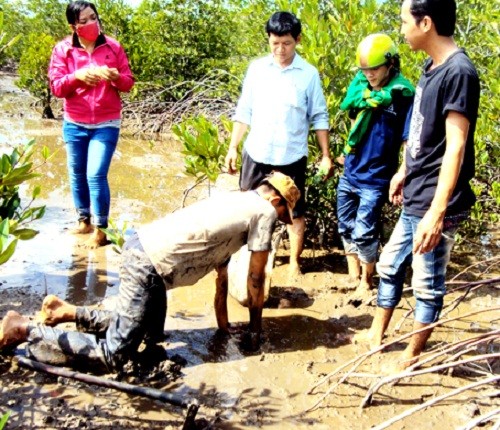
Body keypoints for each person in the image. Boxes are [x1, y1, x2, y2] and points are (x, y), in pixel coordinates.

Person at [0, 172, 300, 372]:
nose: (281, 221)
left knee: (150, 332)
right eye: (285, 215)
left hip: (144, 253)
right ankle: (24, 329)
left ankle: (65, 312)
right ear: (276, 201)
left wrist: (223, 324)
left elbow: (221, 276)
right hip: (148, 266)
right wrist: (255, 331)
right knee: (116, 354)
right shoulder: (264, 212)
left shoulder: (238, 202)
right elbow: (256, 278)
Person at [354, 0, 480, 372]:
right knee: (391, 264)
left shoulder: (460, 72)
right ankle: (376, 335)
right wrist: (403, 170)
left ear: (426, 23)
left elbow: (456, 145)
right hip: (417, 189)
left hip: (438, 200)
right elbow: (424, 129)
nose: (402, 29)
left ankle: (412, 357)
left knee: (427, 282)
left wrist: (436, 214)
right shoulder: (431, 66)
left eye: (404, 21)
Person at [224, 11, 332, 279]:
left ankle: (294, 261)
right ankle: (245, 259)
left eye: (286, 43)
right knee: (247, 208)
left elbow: (319, 115)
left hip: (291, 156)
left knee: (295, 212)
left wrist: (326, 155)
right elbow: (244, 111)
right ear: (268, 40)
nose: (280, 49)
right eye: (275, 43)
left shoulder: (308, 74)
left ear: (297, 40)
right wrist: (232, 147)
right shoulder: (257, 70)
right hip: (257, 152)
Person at [48, 1, 134, 249]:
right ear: (73, 26)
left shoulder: (112, 46)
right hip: (74, 122)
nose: (91, 24)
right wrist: (77, 76)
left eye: (93, 18)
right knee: (76, 174)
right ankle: (83, 220)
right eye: (84, 21)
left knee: (95, 174)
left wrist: (116, 77)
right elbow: (57, 87)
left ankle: (101, 230)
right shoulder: (63, 49)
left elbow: (128, 83)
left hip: (107, 122)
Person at [337, 34, 414, 294]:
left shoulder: (402, 95)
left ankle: (366, 283)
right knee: (345, 225)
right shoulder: (360, 89)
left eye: (375, 68)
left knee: (364, 232)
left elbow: (407, 139)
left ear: (390, 64)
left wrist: (402, 173)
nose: (369, 74)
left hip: (377, 177)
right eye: (365, 69)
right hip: (351, 171)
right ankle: (353, 275)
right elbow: (353, 119)